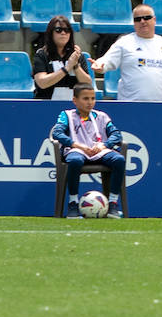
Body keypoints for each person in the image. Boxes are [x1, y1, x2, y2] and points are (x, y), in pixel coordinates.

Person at [51, 83, 125, 219]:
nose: (90, 102)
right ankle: (73, 203)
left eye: (92, 98)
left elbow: (116, 134)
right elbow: (57, 133)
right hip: (77, 150)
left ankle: (113, 203)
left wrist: (105, 144)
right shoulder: (66, 115)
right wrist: (76, 145)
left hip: (99, 150)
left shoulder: (101, 116)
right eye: (85, 99)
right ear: (75, 100)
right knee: (74, 161)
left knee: (119, 160)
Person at [94, 3, 162, 102]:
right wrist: (99, 65)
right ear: (133, 22)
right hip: (130, 105)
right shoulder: (124, 42)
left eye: (147, 17)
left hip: (160, 106)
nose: (142, 21)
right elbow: (105, 62)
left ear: (154, 19)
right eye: (137, 19)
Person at [33, 13, 92, 101]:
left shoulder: (77, 55)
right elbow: (42, 83)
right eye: (58, 30)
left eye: (67, 30)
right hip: (46, 105)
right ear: (51, 33)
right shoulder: (42, 54)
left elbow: (87, 84)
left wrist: (75, 66)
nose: (63, 33)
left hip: (73, 106)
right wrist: (67, 68)